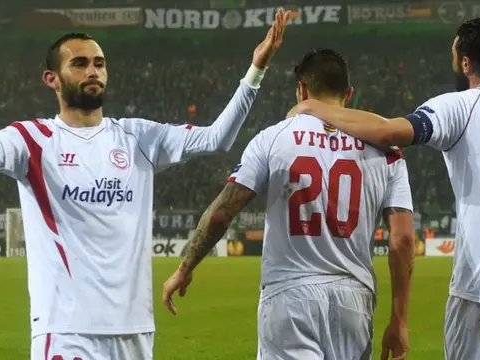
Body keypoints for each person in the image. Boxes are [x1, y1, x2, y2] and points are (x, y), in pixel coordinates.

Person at [0, 5, 291, 360]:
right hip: (66, 329)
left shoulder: (138, 138)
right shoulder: (31, 140)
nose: (93, 70)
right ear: (51, 79)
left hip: (134, 331)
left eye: (99, 63)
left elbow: (217, 138)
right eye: (79, 63)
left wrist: (256, 70)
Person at [294, 18, 480, 359]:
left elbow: (387, 132)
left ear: (466, 63)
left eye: (454, 55)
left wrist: (315, 107)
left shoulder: (460, 106)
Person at [162, 48, 415, 360]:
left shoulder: (272, 138)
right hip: (355, 300)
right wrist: (399, 320)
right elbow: (402, 239)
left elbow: (223, 211)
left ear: (302, 90)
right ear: (348, 94)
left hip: (289, 297)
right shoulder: (387, 152)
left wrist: (186, 267)